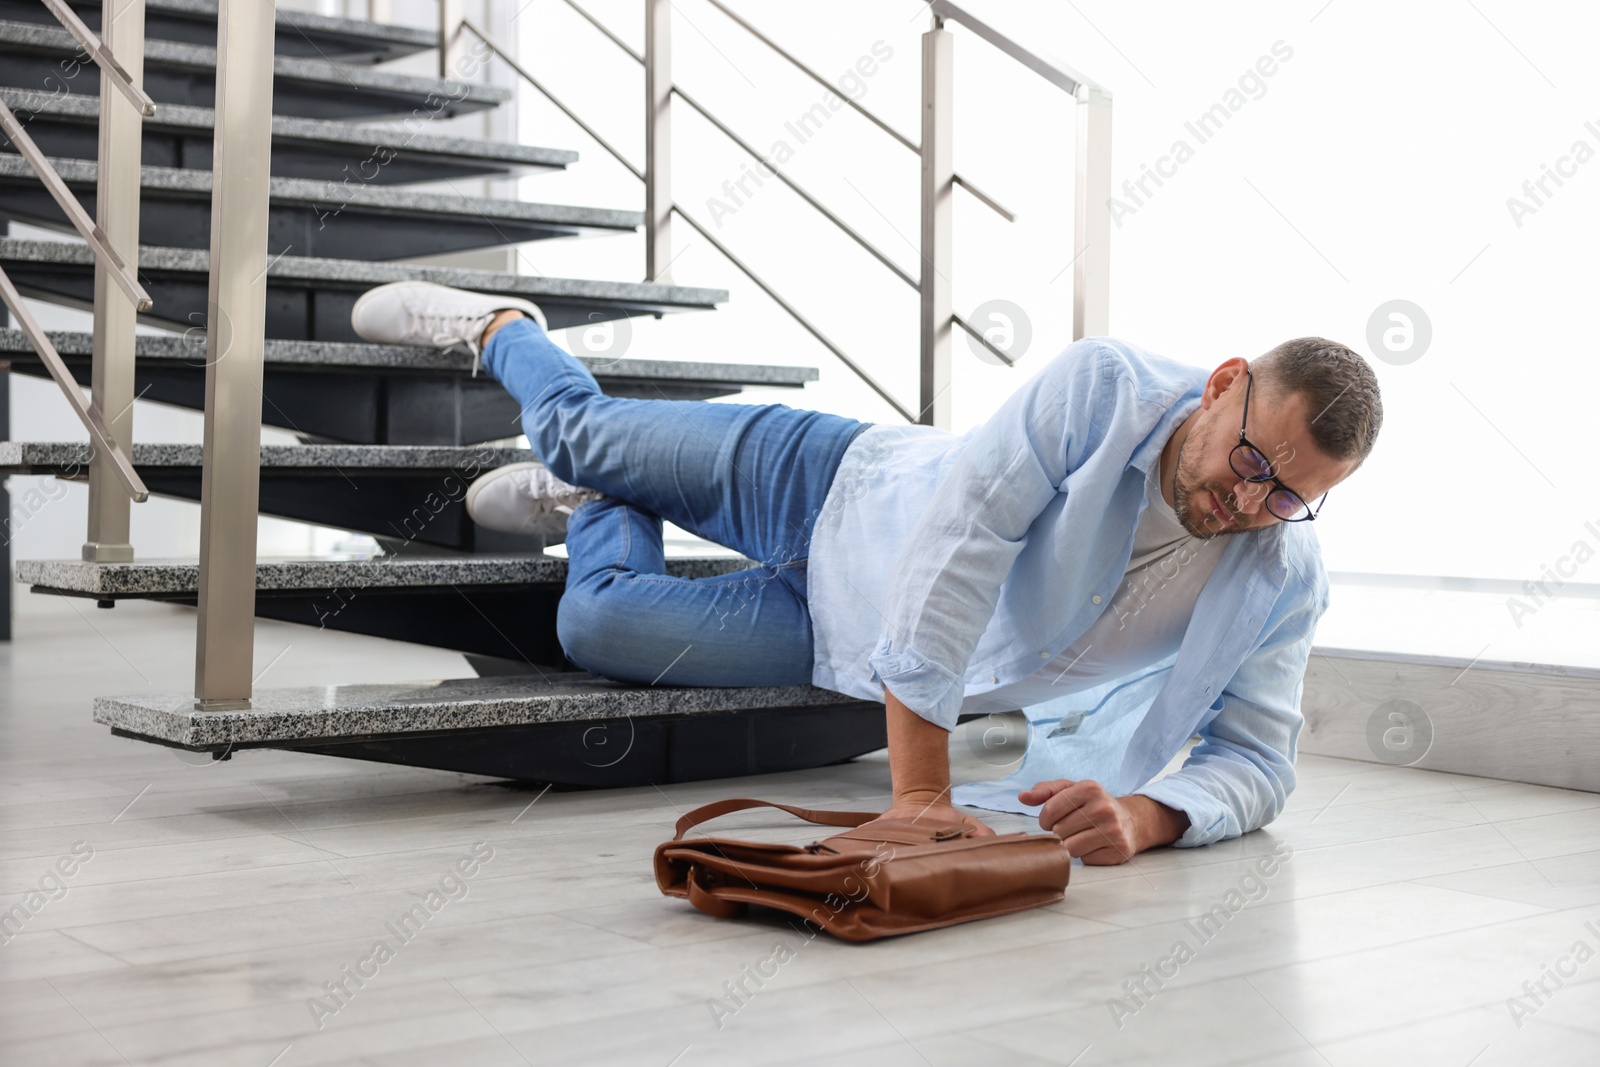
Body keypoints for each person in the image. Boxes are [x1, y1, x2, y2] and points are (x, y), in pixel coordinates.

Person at [352, 281, 1381, 865]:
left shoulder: (1278, 571)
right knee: (576, 431)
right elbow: (963, 541)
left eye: (1289, 495)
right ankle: (500, 328)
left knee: (596, 626)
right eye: (1250, 464)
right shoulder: (1104, 386)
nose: (1248, 506)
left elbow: (1259, 757)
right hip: (821, 478)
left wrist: (1150, 815)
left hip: (836, 630)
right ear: (1223, 385)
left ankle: (598, 509)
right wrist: (920, 787)